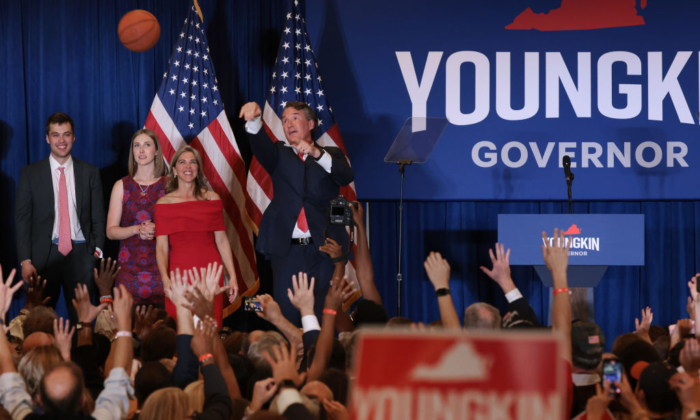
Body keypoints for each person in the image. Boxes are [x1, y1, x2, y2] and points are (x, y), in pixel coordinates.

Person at [239, 101, 354, 325]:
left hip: (323, 249)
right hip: (287, 251)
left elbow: (345, 176)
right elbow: (260, 144)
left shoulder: (330, 154)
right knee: (287, 313)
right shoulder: (279, 154)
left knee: (324, 314)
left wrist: (315, 152)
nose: (288, 123)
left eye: (294, 118)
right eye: (284, 120)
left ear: (310, 123)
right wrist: (253, 121)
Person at [15, 112, 105, 324]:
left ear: (74, 137)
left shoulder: (90, 172)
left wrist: (96, 250)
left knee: (82, 321)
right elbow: (22, 220)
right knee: (40, 321)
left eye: (66, 134)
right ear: (47, 138)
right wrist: (25, 260)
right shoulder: (30, 173)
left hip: (82, 255)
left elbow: (98, 216)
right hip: (43, 259)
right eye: (56, 135)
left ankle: (80, 358)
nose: (61, 141)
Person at [154, 145, 237, 326]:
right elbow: (161, 247)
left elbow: (222, 240)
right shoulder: (163, 204)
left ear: (198, 169)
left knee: (209, 328)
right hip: (178, 274)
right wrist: (165, 278)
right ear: (174, 170)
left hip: (211, 274)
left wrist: (233, 275)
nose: (188, 166)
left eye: (192, 162)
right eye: (182, 162)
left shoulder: (212, 199)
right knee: (179, 330)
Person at [106, 129, 167, 306]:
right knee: (126, 329)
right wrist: (136, 229)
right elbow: (110, 231)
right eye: (137, 145)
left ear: (156, 151)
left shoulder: (169, 185)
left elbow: (180, 228)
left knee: (163, 331)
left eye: (147, 145)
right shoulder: (121, 185)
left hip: (161, 270)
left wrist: (158, 230)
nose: (141, 150)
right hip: (128, 271)